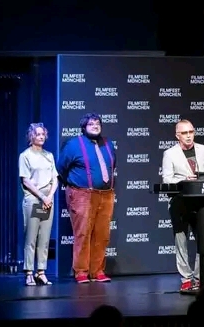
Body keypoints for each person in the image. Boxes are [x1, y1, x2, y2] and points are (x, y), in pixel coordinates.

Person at [57, 113, 117, 284]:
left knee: (102, 234)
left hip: (106, 194)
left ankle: (97, 270)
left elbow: (112, 165)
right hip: (82, 194)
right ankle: (81, 271)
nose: (95, 126)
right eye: (91, 124)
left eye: (98, 123)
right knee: (83, 233)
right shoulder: (73, 145)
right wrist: (74, 185)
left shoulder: (108, 143)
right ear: (83, 127)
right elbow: (60, 168)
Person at [161, 119, 204, 292]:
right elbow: (167, 179)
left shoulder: (203, 149)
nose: (188, 136)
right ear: (177, 135)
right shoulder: (170, 154)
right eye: (184, 133)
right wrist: (185, 180)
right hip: (180, 203)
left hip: (201, 203)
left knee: (203, 240)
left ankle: (199, 277)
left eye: (191, 132)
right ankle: (186, 278)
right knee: (181, 241)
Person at [19, 123, 58, 286]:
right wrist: (42, 196)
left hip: (47, 201)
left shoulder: (49, 155)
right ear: (31, 136)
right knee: (31, 237)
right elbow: (26, 180)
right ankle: (29, 272)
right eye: (38, 134)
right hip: (34, 199)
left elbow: (55, 178)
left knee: (44, 237)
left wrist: (49, 196)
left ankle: (41, 271)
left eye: (43, 134)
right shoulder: (25, 155)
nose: (41, 137)